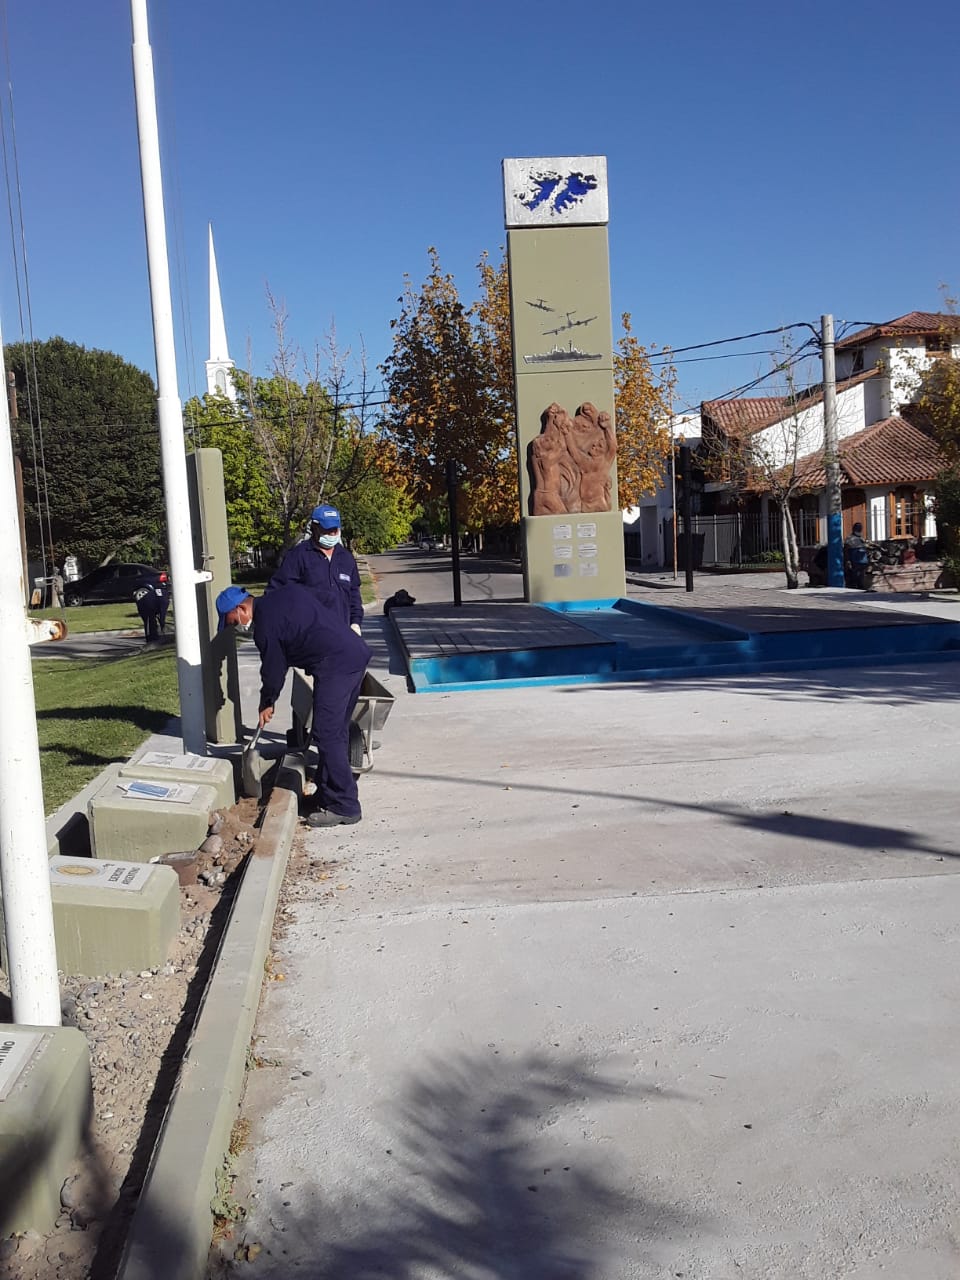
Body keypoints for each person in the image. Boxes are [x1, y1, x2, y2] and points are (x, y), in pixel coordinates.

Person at [216, 582, 372, 828]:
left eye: (233, 621)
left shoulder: (265, 625)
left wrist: (267, 701)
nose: (237, 627)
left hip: (336, 664)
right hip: (353, 653)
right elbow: (329, 598)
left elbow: (274, 669)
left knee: (326, 734)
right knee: (337, 731)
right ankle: (327, 795)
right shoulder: (287, 593)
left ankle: (345, 806)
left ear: (241, 608)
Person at [268, 505, 363, 634]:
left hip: (342, 635)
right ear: (315, 528)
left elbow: (354, 594)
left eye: (335, 529)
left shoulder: (346, 558)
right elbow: (277, 591)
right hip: (309, 636)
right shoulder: (298, 556)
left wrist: (355, 623)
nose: (332, 533)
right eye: (328, 529)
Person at [843, 522, 870, 589]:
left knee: (861, 573)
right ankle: (855, 585)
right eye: (858, 528)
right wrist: (848, 560)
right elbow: (846, 549)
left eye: (860, 528)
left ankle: (860, 585)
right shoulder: (849, 538)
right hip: (855, 558)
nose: (859, 529)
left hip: (862, 559)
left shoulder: (861, 538)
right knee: (855, 572)